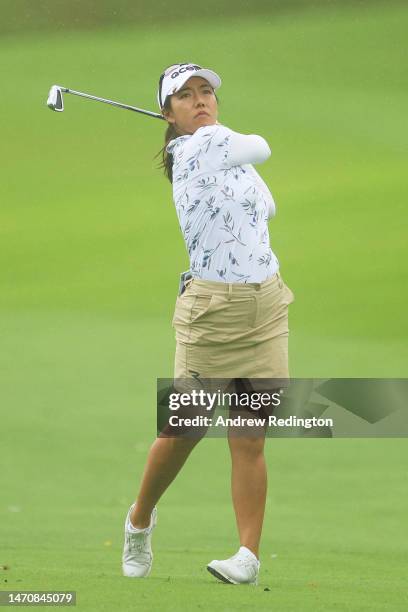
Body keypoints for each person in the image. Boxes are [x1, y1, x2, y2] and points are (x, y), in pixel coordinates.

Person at [122, 62, 295, 585]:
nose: (200, 101)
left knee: (249, 437)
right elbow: (260, 146)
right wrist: (219, 138)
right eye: (185, 97)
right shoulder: (197, 147)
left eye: (206, 93)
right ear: (168, 114)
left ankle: (247, 555)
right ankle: (138, 520)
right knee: (184, 430)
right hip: (211, 315)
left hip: (265, 307)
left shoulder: (222, 150)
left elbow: (267, 206)